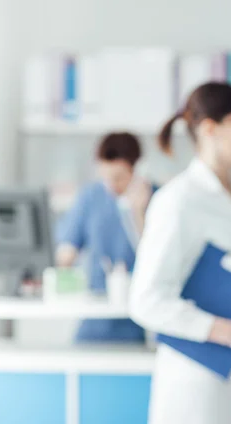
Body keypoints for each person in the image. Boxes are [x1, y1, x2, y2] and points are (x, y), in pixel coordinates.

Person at [129, 82, 231, 424]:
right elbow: (146, 300)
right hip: (193, 380)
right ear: (209, 129)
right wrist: (230, 332)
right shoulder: (178, 201)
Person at [56, 132, 153, 342]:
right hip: (94, 319)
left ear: (137, 170)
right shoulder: (90, 197)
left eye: (119, 177)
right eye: (106, 177)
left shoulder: (157, 199)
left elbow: (156, 255)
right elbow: (66, 252)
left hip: (136, 322)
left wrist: (138, 213)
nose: (112, 185)